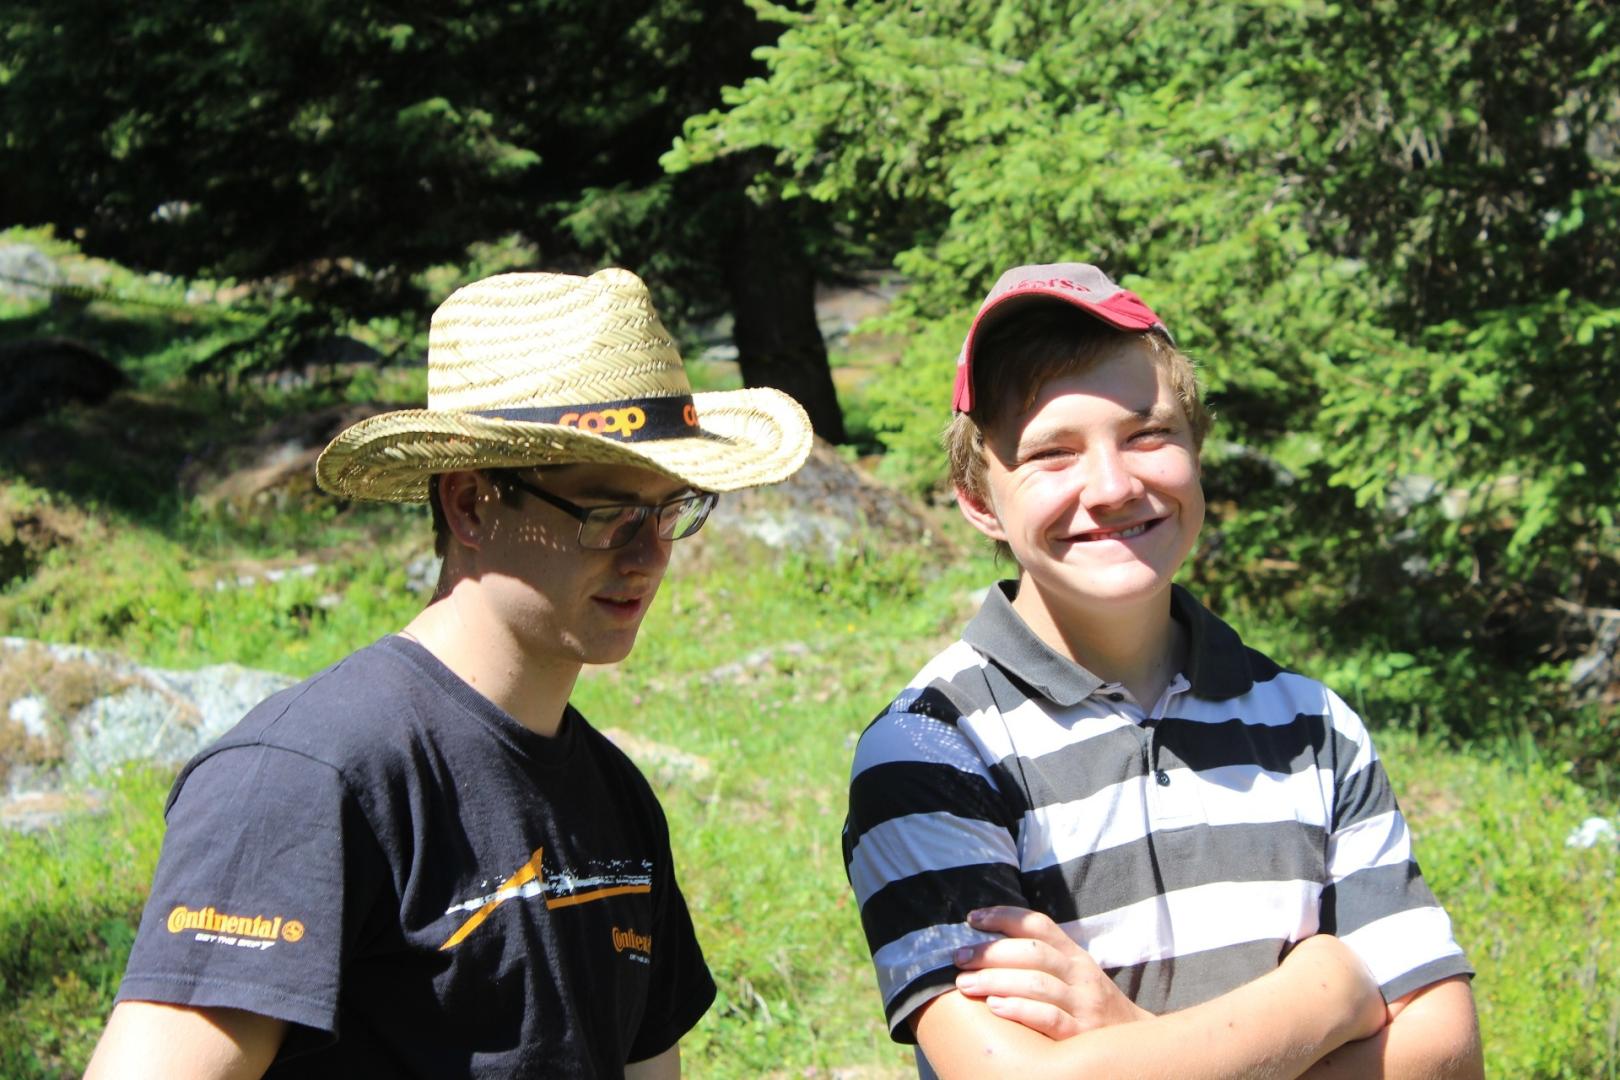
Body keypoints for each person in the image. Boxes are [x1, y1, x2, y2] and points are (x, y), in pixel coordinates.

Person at [85, 268, 813, 1079]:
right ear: (469, 504)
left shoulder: (617, 796)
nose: (648, 555)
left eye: (671, 510)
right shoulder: (307, 778)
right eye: (608, 513)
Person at [841, 263, 1483, 1078]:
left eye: (1148, 435)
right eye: (1051, 454)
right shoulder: (932, 752)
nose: (1113, 486)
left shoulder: (1312, 726)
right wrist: (1324, 994)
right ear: (977, 499)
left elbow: (1446, 1051)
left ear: (1196, 450)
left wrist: (1134, 1040)